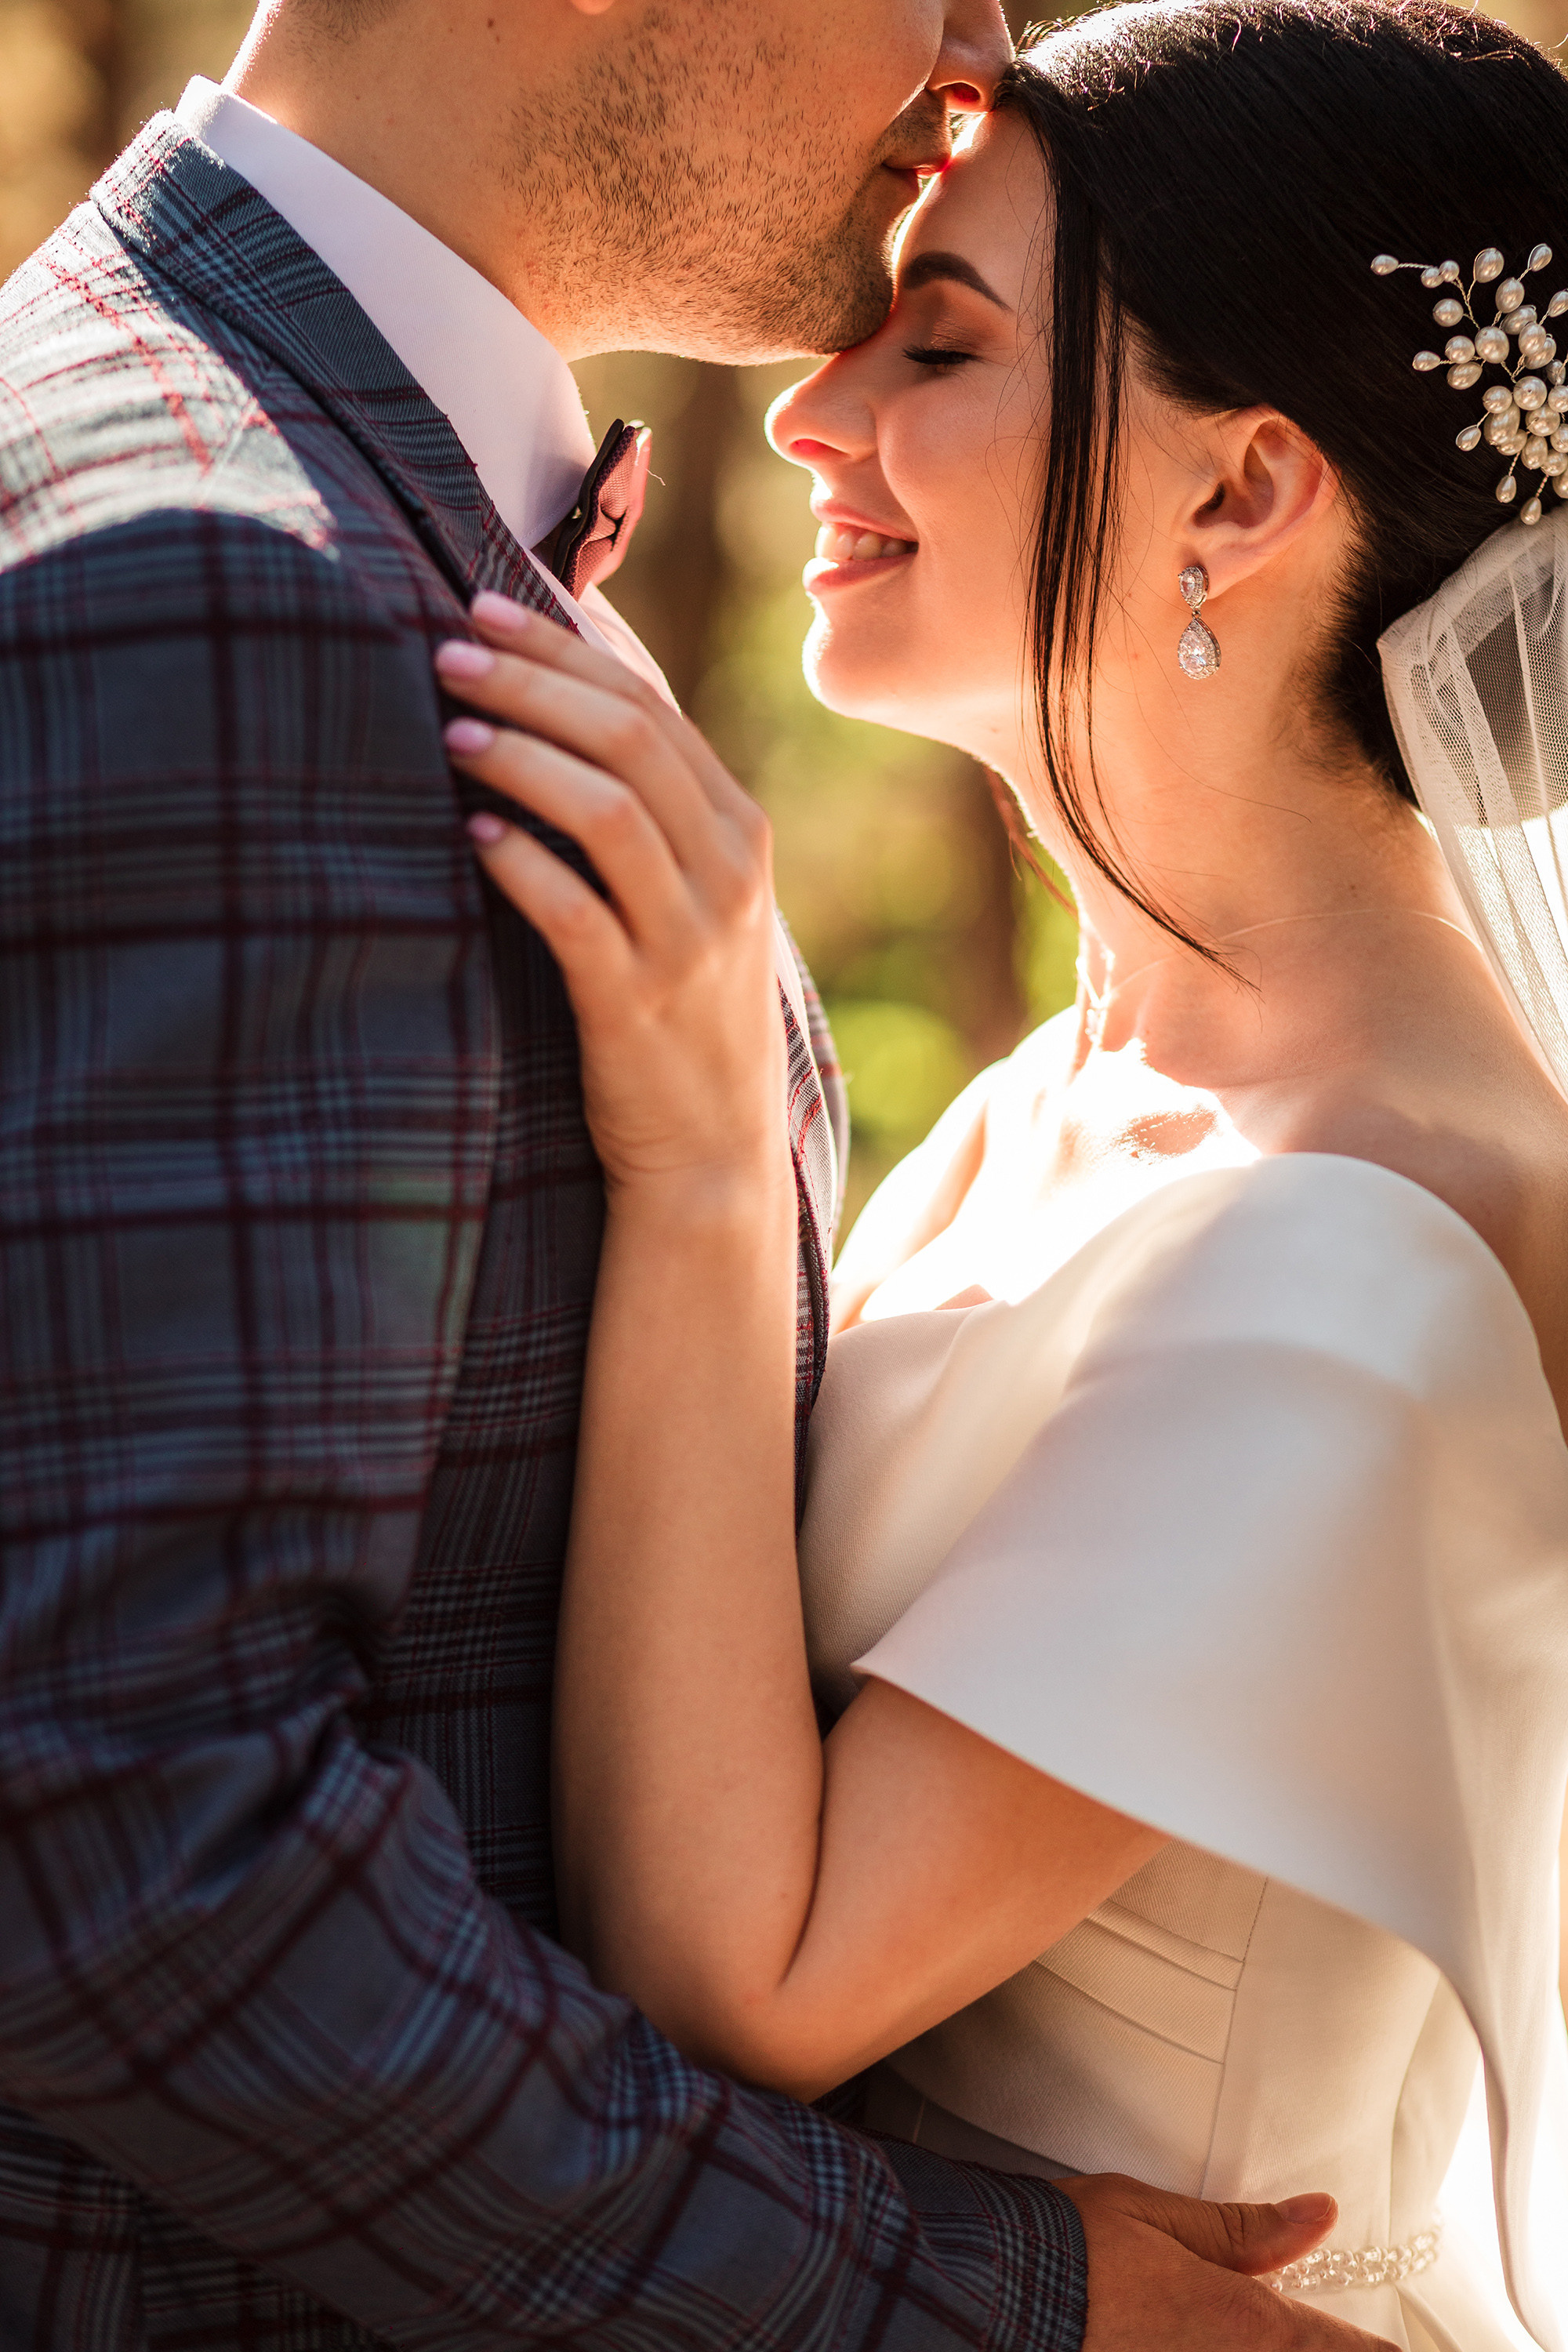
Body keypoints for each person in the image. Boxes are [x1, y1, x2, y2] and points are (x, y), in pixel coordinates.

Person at [0, 0, 1385, 2344]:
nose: (979, 47)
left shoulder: (322, 505)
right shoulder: (212, 570)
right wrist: (987, 2307)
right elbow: (137, 1840)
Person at [434, 1, 1568, 2347]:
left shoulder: (1360, 1252)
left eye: (934, 343)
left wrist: (705, 1170)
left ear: (1241, 496)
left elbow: (745, 1978)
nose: (812, 408)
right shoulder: (1064, 1098)